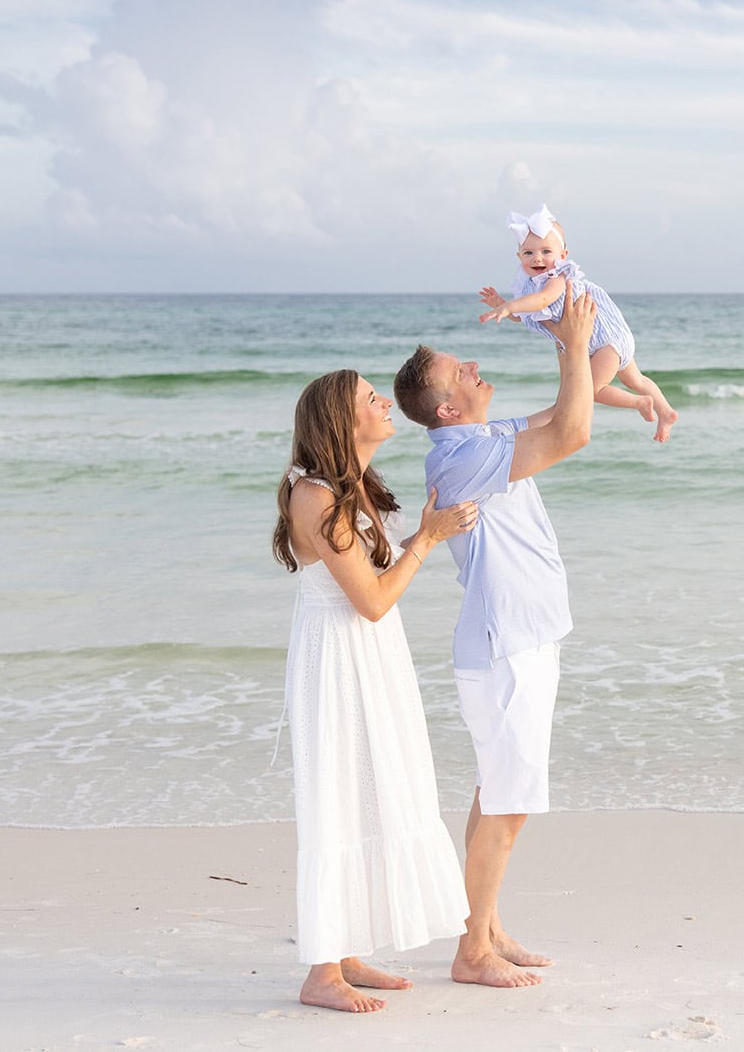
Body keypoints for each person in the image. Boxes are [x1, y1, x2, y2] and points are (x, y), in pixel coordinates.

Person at [391, 289, 598, 987]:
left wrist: (587, 343)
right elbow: (572, 433)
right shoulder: (458, 459)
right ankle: (470, 950)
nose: (475, 365)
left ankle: (485, 926)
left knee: (497, 790)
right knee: (509, 805)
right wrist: (570, 346)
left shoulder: (481, 438)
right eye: (461, 370)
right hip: (508, 646)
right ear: (447, 408)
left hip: (519, 641)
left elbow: (567, 407)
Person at [270, 370, 481, 1013]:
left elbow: (374, 592)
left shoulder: (350, 488)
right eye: (371, 399)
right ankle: (320, 972)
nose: (385, 404)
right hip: (339, 658)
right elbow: (370, 601)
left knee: (370, 787)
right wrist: (427, 537)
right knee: (337, 795)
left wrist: (420, 536)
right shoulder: (313, 495)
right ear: (342, 420)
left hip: (370, 656)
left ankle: (347, 950)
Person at [477, 205, 678, 442]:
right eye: (528, 253)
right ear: (519, 256)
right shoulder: (528, 288)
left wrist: (510, 306)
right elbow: (526, 315)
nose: (537, 258)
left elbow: (543, 300)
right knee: (635, 379)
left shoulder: (557, 278)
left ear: (563, 255)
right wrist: (502, 304)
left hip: (604, 342)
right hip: (603, 341)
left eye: (546, 251)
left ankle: (641, 402)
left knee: (591, 390)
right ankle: (666, 413)